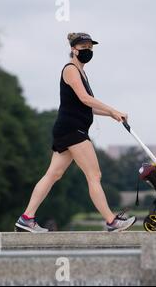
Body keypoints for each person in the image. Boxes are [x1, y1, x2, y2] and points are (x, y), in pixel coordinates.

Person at [15, 33, 137, 233]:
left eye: (90, 47)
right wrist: (113, 109)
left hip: (68, 129)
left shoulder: (81, 72)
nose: (87, 50)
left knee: (53, 174)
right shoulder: (71, 70)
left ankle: (26, 218)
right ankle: (111, 221)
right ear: (73, 49)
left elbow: (87, 105)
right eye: (84, 47)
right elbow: (85, 98)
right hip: (73, 130)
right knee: (94, 175)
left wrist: (111, 114)